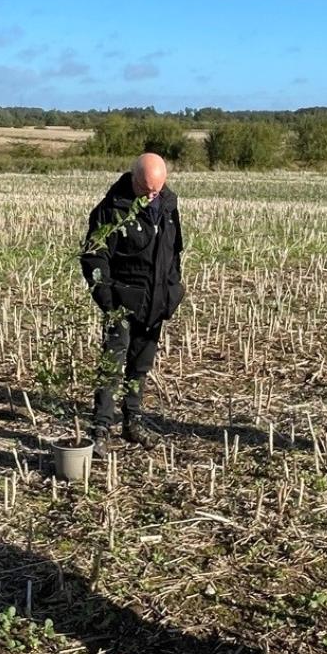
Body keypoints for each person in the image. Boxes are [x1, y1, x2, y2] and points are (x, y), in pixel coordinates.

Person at [80, 152, 185, 449]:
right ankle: (100, 428)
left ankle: (132, 422)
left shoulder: (167, 205)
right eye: (147, 188)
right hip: (122, 302)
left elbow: (174, 251)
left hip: (156, 302)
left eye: (158, 189)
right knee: (111, 366)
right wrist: (107, 298)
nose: (152, 195)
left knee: (140, 366)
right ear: (134, 179)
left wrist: (173, 289)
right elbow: (94, 256)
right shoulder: (110, 209)